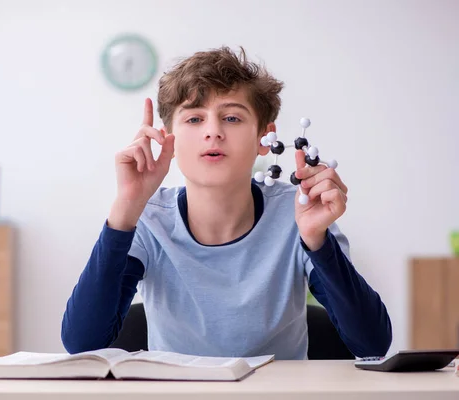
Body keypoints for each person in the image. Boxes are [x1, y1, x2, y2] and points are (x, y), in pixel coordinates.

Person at [61, 46, 392, 359]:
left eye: (232, 118)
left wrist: (317, 242)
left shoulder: (302, 212)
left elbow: (372, 344)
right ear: (167, 138)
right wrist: (124, 210)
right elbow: (82, 344)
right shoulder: (146, 219)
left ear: (265, 137)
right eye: (194, 119)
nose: (213, 132)